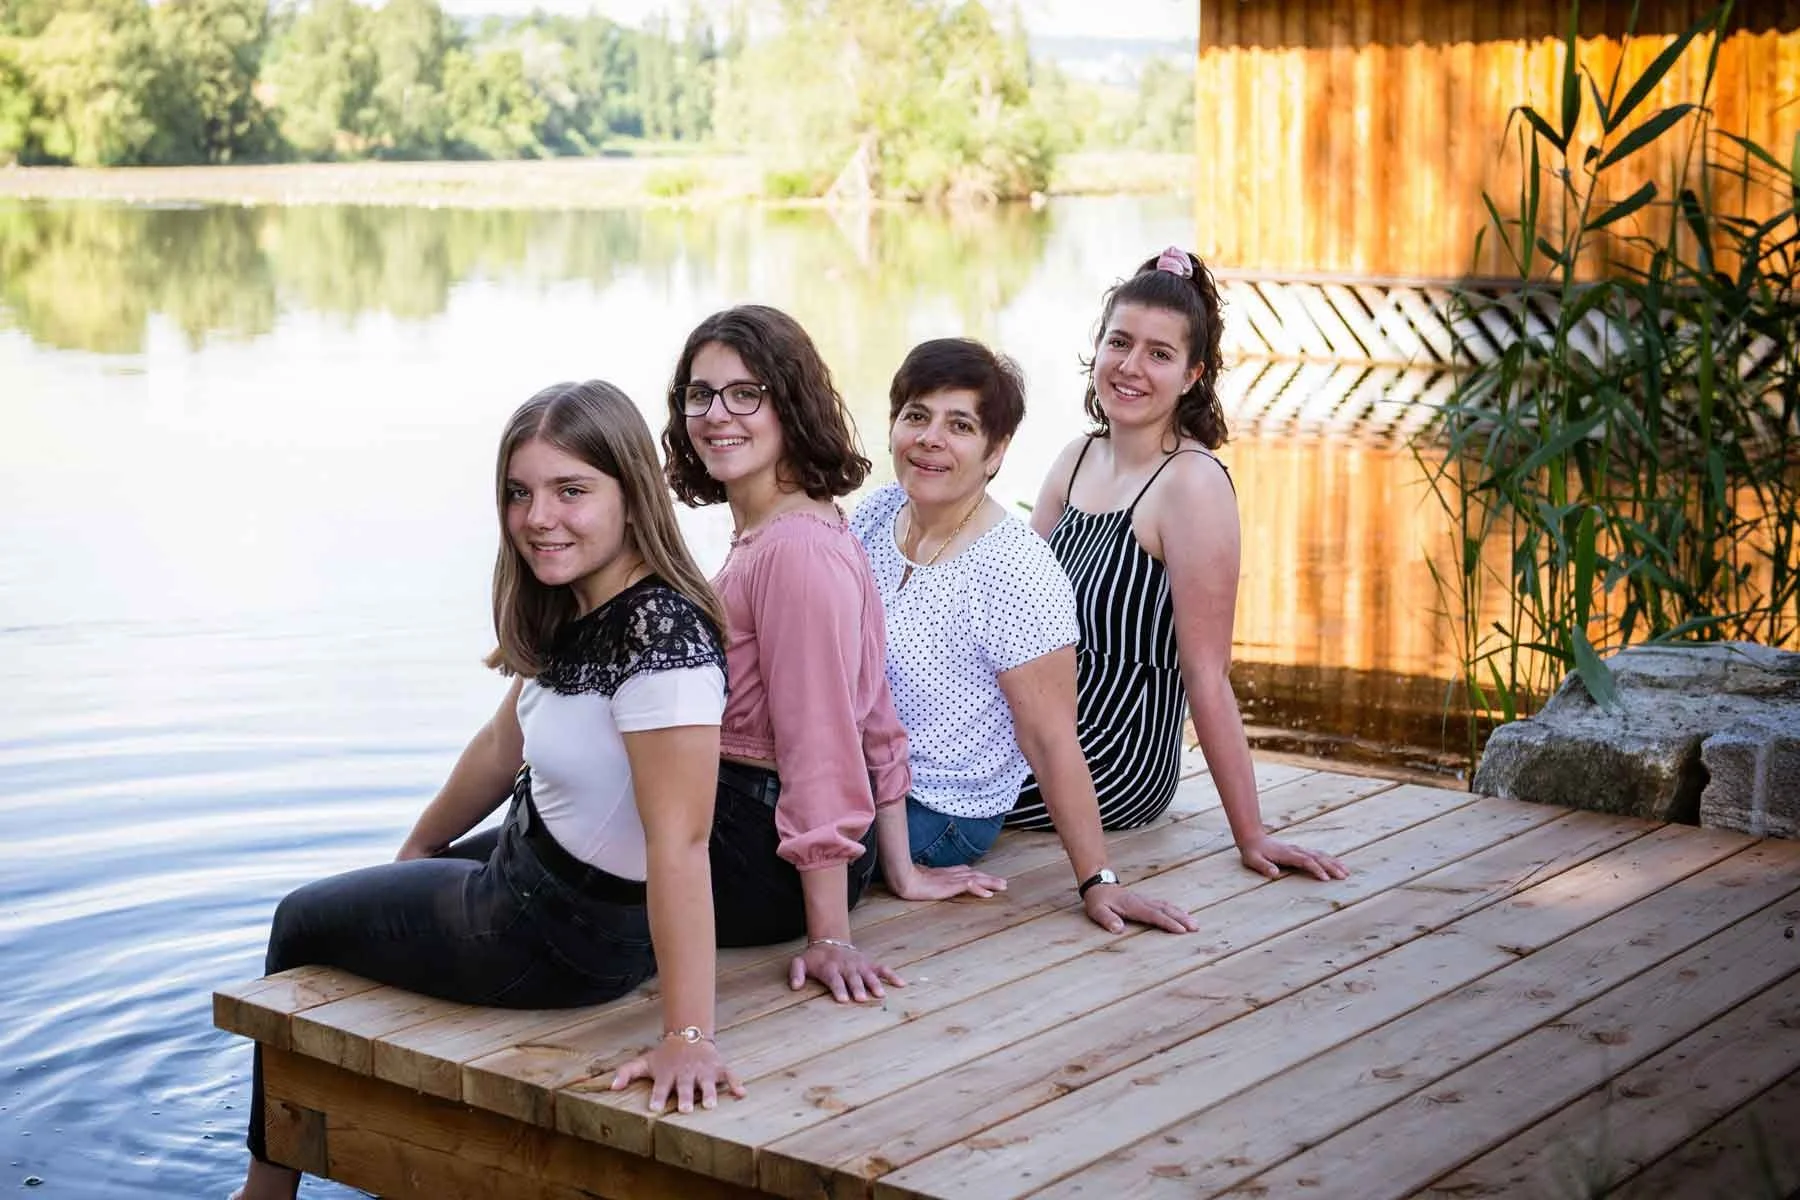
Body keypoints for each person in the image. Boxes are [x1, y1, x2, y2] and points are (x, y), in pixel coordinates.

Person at [234, 382, 740, 1200]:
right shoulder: (587, 603)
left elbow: (680, 844)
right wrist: (419, 853)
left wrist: (688, 1034)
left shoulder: (664, 644)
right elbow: (502, 747)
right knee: (370, 896)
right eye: (520, 492)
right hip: (530, 873)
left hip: (557, 936)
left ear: (631, 493)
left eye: (571, 490)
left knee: (302, 919)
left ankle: (264, 1189)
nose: (539, 517)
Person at [663, 305, 974, 1006]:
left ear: (790, 405)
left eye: (747, 394)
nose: (718, 415)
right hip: (758, 836)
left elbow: (822, 743)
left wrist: (830, 933)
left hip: (763, 856)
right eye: (700, 394)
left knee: (534, 869)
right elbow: (877, 711)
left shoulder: (795, 551)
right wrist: (900, 867)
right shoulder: (792, 528)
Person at [1006, 248, 1349, 884]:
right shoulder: (1077, 457)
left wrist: (1252, 835)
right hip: (1041, 727)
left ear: (1193, 374)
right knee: (898, 756)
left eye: (1159, 354)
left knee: (919, 782)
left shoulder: (1192, 485)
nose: (1131, 367)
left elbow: (1207, 673)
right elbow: (1014, 621)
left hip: (1114, 755)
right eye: (1120, 343)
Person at [851, 337, 1197, 935]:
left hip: (937, 808)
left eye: (959, 425)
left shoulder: (1016, 570)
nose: (930, 438)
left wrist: (1098, 879)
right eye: (916, 416)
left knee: (757, 835)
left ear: (996, 450)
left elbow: (1051, 738)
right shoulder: (877, 515)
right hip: (858, 773)